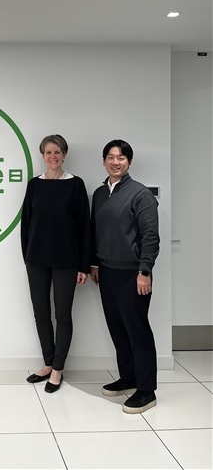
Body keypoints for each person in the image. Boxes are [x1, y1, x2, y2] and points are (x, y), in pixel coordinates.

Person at [90, 139, 159, 414]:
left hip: (133, 274)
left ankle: (147, 390)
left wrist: (145, 271)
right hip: (107, 272)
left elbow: (150, 236)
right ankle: (129, 377)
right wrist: (95, 264)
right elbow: (96, 230)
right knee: (118, 329)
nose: (115, 162)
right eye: (110, 157)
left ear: (129, 162)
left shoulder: (140, 194)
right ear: (104, 161)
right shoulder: (99, 194)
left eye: (121, 158)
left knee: (137, 331)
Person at [21, 134, 91, 393]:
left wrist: (84, 265)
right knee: (41, 314)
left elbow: (85, 227)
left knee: (62, 315)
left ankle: (58, 369)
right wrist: (27, 256)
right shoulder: (34, 185)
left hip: (66, 261)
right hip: (37, 260)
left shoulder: (75, 185)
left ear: (64, 155)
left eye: (57, 152)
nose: (53, 156)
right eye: (48, 152)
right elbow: (26, 224)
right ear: (42, 156)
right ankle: (48, 363)